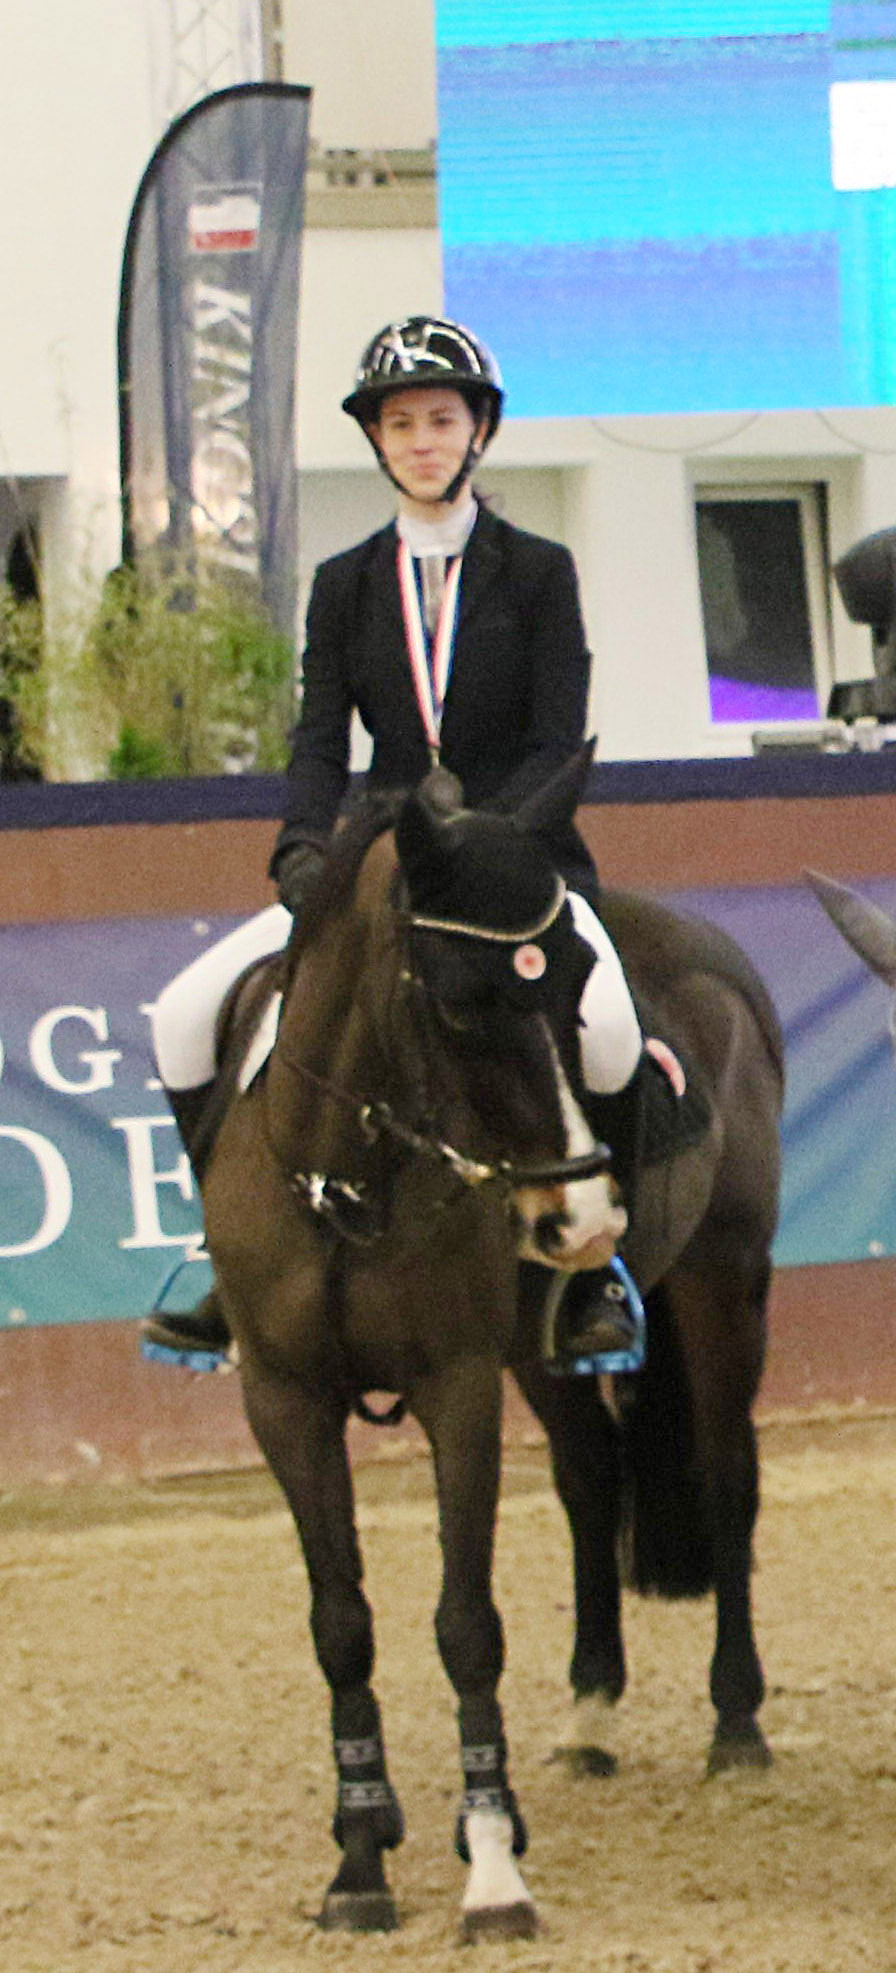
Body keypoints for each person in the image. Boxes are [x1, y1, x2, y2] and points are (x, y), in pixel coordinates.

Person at [143, 314, 649, 1370]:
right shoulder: (346, 584)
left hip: (521, 867)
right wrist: (298, 846)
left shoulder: (539, 571)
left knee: (605, 1028)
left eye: (441, 420)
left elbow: (561, 735)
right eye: (402, 423)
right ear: (379, 441)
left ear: (479, 434)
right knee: (187, 1016)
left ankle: (601, 1266)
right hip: (384, 867)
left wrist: (491, 845)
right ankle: (227, 1260)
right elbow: (321, 738)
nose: (422, 440)